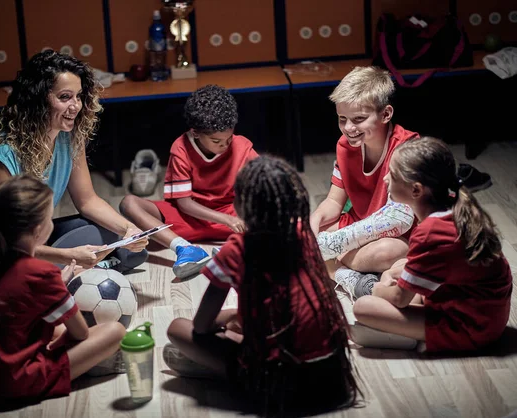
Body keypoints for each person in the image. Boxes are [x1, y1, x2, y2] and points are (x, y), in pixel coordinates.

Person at [0, 50, 148, 293]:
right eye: (65, 97)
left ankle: (69, 272)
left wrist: (128, 231)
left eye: (78, 96)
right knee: (31, 287)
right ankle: (66, 274)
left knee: (118, 240)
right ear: (37, 100)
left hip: (31, 238)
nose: (75, 106)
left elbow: (88, 200)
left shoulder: (69, 137)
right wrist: (67, 255)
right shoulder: (1, 155)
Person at [164, 156, 361, 416]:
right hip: (332, 379)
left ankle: (226, 375)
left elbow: (201, 326)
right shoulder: (304, 234)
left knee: (178, 331)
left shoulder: (237, 249)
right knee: (246, 329)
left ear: (241, 205)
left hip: (279, 386)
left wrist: (233, 315)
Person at [0, 175, 126, 399]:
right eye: (50, 219)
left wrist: (55, 289)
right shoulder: (40, 272)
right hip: (12, 382)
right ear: (38, 230)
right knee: (114, 332)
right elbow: (81, 333)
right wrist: (60, 289)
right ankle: (85, 367)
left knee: (55, 327)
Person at [351, 137, 513, 352]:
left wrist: (379, 287)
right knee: (401, 264)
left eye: (392, 174)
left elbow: (399, 299)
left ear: (416, 190)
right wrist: (393, 277)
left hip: (471, 328)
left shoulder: (431, 232)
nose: (385, 179)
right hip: (484, 317)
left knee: (363, 306)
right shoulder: (451, 209)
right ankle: (400, 323)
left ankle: (402, 333)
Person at [120, 84, 258, 279]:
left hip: (232, 214)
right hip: (192, 217)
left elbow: (268, 181)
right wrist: (227, 220)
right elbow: (184, 204)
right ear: (195, 133)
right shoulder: (181, 148)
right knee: (129, 204)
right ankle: (185, 248)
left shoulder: (241, 146)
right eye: (217, 141)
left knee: (285, 222)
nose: (224, 146)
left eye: (228, 139)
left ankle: (235, 252)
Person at [309, 66, 418, 299]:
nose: (349, 128)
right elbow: (333, 202)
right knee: (308, 230)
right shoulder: (344, 146)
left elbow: (401, 219)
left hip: (397, 235)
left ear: (386, 114)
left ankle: (331, 263)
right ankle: (354, 279)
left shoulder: (407, 148)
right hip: (361, 226)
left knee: (389, 251)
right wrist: (314, 221)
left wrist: (330, 244)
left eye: (359, 119)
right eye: (342, 119)